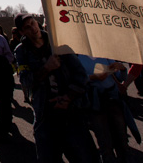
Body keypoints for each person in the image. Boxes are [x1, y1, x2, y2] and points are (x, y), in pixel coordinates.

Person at [13, 13, 97, 163]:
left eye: (33, 23)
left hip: (71, 111)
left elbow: (81, 76)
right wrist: (46, 68)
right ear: (21, 32)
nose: (33, 28)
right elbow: (25, 81)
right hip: (45, 114)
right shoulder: (21, 51)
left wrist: (68, 97)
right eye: (27, 27)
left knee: (85, 157)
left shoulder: (59, 44)